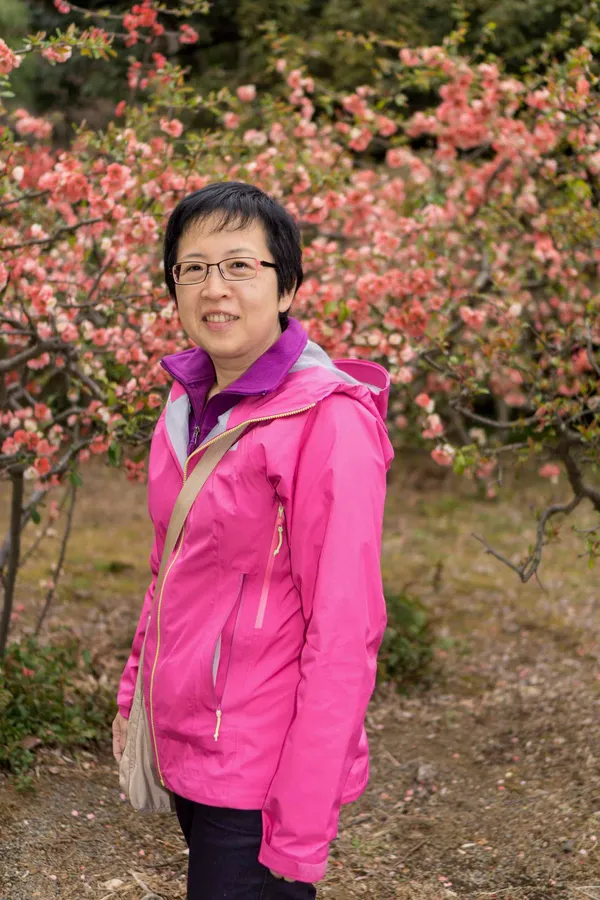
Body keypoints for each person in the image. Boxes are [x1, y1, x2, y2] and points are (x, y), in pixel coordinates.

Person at [112, 181, 394, 899]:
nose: (216, 287)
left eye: (240, 265)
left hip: (262, 773)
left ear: (288, 284)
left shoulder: (328, 426)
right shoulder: (187, 407)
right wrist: (133, 705)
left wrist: (299, 821)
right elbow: (167, 572)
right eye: (193, 267)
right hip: (195, 750)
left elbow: (345, 630)